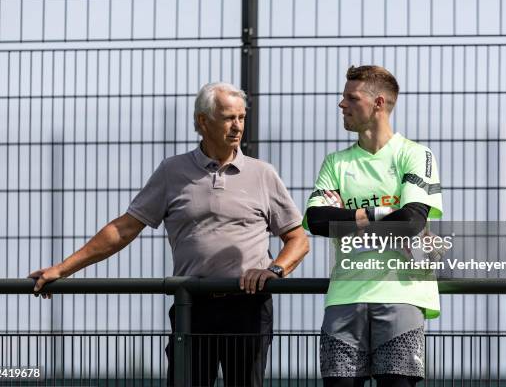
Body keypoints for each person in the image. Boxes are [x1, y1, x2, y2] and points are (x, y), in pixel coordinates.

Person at [29, 82, 309, 387]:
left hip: (248, 308)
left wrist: (274, 270)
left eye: (241, 117)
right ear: (203, 121)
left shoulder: (263, 174)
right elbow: (123, 229)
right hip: (192, 306)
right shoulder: (172, 171)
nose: (237, 126)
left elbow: (298, 239)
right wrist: (62, 269)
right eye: (229, 117)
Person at [304, 66, 444, 387]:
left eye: (350, 98)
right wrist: (383, 212)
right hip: (343, 297)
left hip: (401, 294)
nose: (342, 104)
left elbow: (410, 221)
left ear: (378, 103)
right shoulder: (335, 162)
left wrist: (350, 221)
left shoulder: (415, 154)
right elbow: (317, 221)